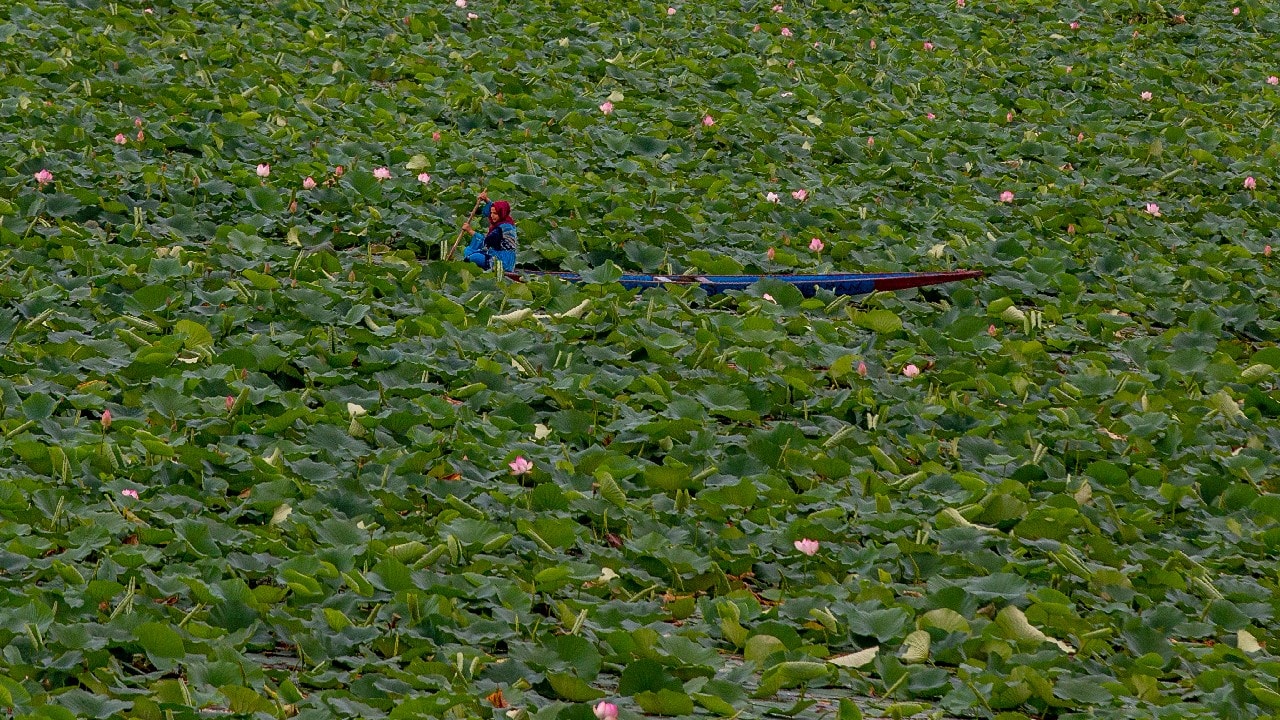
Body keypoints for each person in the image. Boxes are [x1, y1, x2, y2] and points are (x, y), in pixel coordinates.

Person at [462, 191, 517, 270]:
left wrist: (470, 231)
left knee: (475, 257)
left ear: (502, 213)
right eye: (492, 213)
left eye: (495, 213)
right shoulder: (503, 220)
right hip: (494, 253)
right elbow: (493, 210)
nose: (492, 216)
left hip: (503, 260)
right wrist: (486, 199)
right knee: (468, 251)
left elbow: (486, 242)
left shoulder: (504, 228)